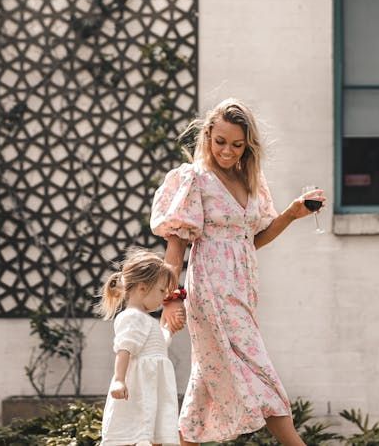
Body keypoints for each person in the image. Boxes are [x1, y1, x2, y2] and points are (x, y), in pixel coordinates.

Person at [150, 98, 326, 446]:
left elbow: (251, 241)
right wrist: (170, 300)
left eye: (236, 144)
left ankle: (182, 440)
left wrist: (291, 213)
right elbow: (176, 246)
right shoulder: (195, 179)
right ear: (208, 136)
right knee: (261, 370)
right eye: (220, 142)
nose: (227, 151)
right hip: (210, 293)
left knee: (208, 374)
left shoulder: (250, 181)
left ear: (247, 145)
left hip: (242, 291)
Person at [96, 248, 183, 446]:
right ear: (143, 288)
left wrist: (169, 330)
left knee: (152, 431)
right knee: (138, 431)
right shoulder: (131, 317)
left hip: (153, 386)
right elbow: (124, 349)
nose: (164, 298)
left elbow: (157, 346)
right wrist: (119, 380)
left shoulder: (145, 319)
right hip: (141, 387)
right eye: (162, 291)